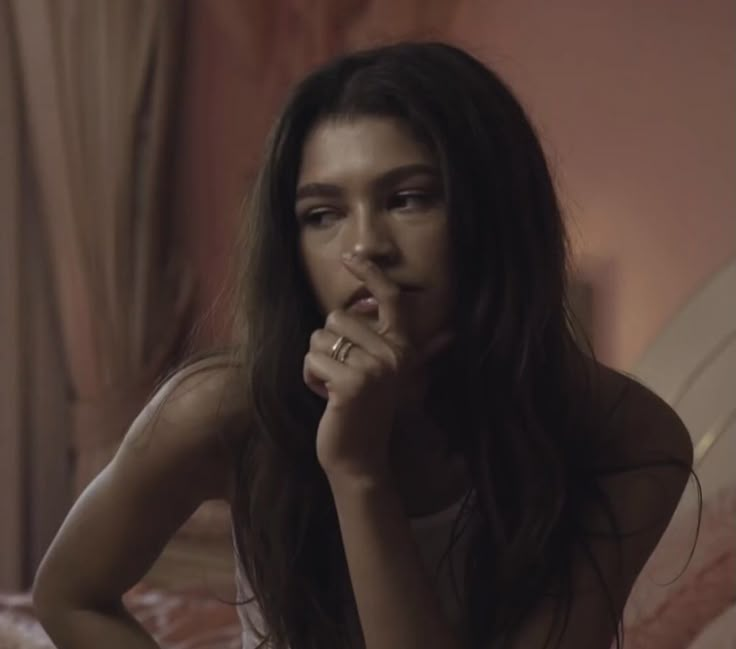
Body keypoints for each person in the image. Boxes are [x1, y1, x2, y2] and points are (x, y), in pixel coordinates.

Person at [32, 41, 696, 649]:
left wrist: (358, 472)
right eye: (322, 214)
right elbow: (69, 596)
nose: (364, 246)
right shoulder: (225, 408)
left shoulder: (625, 441)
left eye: (408, 199)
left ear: (493, 215)